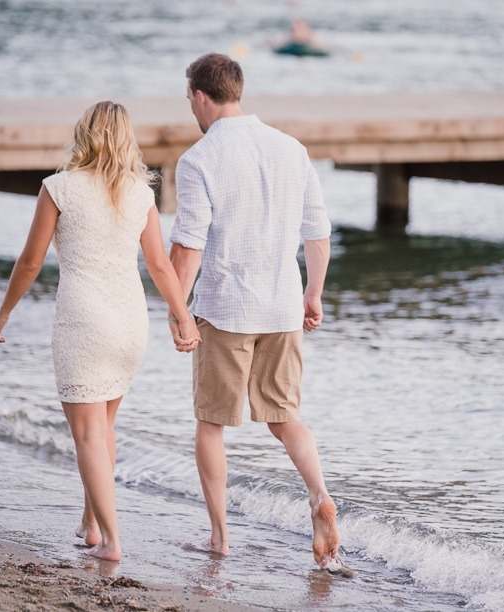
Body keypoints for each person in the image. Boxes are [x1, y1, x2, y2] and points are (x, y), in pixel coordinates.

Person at [0, 101, 201, 562]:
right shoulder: (140, 193)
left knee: (87, 434)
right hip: (129, 323)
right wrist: (182, 315)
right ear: (127, 139)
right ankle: (89, 524)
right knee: (102, 426)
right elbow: (161, 265)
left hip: (84, 321)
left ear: (83, 134)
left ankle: (111, 541)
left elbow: (29, 261)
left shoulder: (58, 188)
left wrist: (4, 312)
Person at [168, 53, 347, 572]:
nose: (192, 110)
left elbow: (188, 247)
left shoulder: (200, 158)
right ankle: (319, 494)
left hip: (226, 309)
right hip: (283, 306)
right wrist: (313, 293)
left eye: (190, 101)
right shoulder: (292, 148)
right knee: (285, 418)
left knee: (211, 423)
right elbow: (317, 231)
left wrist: (180, 312)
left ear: (201, 97)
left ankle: (220, 538)